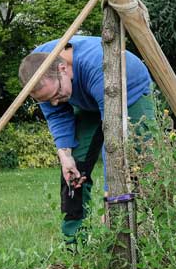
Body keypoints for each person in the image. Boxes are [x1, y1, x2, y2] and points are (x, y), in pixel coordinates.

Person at [18, 36, 155, 245]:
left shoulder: (96, 65)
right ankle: (74, 242)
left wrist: (111, 196)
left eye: (56, 94)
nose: (55, 102)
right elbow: (56, 115)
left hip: (128, 92)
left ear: (63, 69)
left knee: (138, 166)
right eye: (47, 100)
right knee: (74, 171)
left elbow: (114, 142)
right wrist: (64, 155)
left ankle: (146, 238)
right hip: (87, 98)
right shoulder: (38, 68)